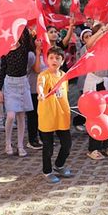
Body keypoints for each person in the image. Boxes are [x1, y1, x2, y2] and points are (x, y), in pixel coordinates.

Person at [37, 47, 73, 183]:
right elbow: (40, 85)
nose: (54, 60)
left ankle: (59, 165)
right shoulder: (43, 75)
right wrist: (41, 93)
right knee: (48, 147)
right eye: (51, 57)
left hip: (62, 116)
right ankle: (47, 171)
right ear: (47, 60)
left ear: (62, 61)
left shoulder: (64, 76)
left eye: (57, 58)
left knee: (67, 144)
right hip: (47, 117)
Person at [83, 23, 108, 160]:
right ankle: (93, 148)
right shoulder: (91, 48)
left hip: (106, 85)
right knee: (96, 116)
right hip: (94, 85)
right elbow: (90, 42)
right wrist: (103, 30)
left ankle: (107, 145)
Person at [0, 29, 34, 157]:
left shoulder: (25, 49)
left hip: (22, 83)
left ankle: (20, 144)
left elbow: (27, 35)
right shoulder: (5, 50)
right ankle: (7, 142)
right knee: (11, 115)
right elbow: (3, 69)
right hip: (10, 84)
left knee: (21, 116)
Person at [26, 38, 44, 150]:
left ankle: (43, 137)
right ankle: (32, 140)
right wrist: (37, 52)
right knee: (33, 116)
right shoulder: (31, 55)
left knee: (42, 115)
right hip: (33, 88)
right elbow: (37, 69)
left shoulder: (48, 54)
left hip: (44, 90)